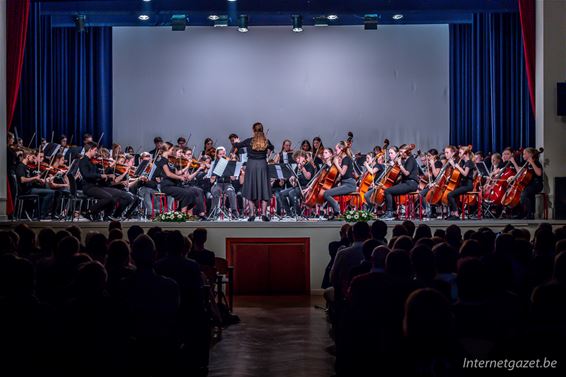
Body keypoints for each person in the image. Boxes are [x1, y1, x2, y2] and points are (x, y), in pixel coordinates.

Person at [232, 122, 274, 221]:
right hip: (262, 165)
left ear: (253, 130)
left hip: (251, 165)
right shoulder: (266, 141)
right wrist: (267, 149)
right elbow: (272, 148)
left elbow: (237, 145)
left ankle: (252, 214)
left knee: (251, 189)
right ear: (262, 130)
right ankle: (263, 214)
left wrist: (237, 141)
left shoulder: (249, 141)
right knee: (264, 189)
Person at [79, 142, 128, 221]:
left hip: (97, 185)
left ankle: (107, 216)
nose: (96, 152)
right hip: (89, 187)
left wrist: (107, 175)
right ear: (90, 150)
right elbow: (87, 175)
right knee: (108, 197)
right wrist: (101, 176)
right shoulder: (83, 161)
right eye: (95, 150)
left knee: (117, 194)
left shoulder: (93, 161)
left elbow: (98, 172)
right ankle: (89, 212)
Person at [155, 145, 206, 220]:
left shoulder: (170, 160)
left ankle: (179, 212)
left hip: (173, 184)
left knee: (192, 194)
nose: (173, 151)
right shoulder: (162, 160)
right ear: (167, 150)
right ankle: (182, 216)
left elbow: (177, 172)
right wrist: (180, 178)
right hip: (167, 186)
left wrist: (184, 173)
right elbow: (168, 174)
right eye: (172, 150)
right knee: (186, 194)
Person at [381, 144, 419, 220]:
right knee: (391, 190)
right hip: (407, 183)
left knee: (388, 191)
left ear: (407, 151)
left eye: (401, 151)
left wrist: (400, 164)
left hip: (411, 184)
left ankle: (390, 213)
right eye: (400, 152)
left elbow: (407, 173)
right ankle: (393, 212)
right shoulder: (406, 160)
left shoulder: (411, 159)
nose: (400, 154)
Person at [14, 151, 56, 219]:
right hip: (26, 191)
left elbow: (31, 179)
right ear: (28, 156)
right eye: (33, 157)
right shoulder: (21, 166)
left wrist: (40, 180)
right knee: (51, 193)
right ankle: (40, 215)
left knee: (46, 189)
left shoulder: (27, 167)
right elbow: (23, 180)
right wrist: (35, 178)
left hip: (30, 189)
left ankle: (38, 214)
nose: (34, 159)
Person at [322, 141, 357, 220]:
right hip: (345, 183)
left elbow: (343, 173)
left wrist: (336, 163)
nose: (335, 152)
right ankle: (335, 212)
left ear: (341, 149)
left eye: (336, 150)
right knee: (327, 192)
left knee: (326, 193)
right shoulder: (344, 159)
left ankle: (337, 210)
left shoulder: (346, 159)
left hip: (349, 185)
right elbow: (340, 176)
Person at [279, 150, 315, 218]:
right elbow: (295, 178)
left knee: (292, 193)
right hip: (298, 187)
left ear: (303, 157)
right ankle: (289, 214)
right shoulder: (297, 167)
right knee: (281, 193)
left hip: (306, 187)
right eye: (296, 159)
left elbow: (308, 177)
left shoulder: (309, 165)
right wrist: (292, 180)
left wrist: (302, 168)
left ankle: (298, 214)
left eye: (298, 158)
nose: (297, 160)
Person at [446, 145, 476, 220]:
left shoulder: (469, 162)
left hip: (468, 185)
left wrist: (457, 166)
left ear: (465, 154)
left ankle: (456, 214)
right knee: (451, 194)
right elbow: (459, 174)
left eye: (460, 153)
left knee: (450, 195)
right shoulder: (464, 162)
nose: (459, 155)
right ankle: (453, 212)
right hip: (463, 184)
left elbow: (465, 174)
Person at [210, 147, 239, 219]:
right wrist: (213, 174)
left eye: (223, 154)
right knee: (215, 191)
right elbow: (211, 180)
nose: (222, 155)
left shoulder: (229, 163)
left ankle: (234, 212)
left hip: (227, 184)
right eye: (220, 154)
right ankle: (214, 211)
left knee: (231, 191)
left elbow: (233, 178)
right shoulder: (214, 163)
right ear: (217, 155)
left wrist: (233, 169)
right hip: (218, 183)